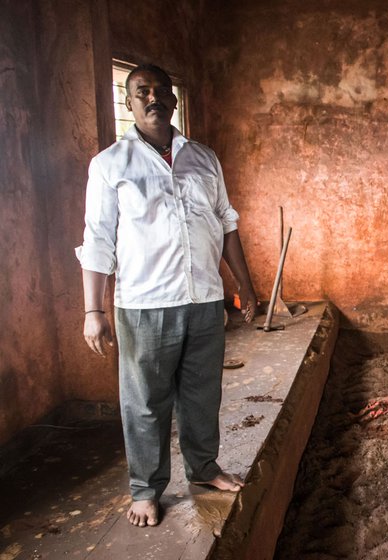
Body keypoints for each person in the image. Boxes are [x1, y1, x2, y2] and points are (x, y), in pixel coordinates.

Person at [76, 63, 257, 528]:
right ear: (129, 101)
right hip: (143, 303)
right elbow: (97, 239)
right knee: (145, 401)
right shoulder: (111, 164)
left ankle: (203, 468)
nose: (152, 97)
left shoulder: (203, 158)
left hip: (203, 299)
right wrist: (93, 310)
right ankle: (145, 489)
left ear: (174, 100)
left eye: (160, 90)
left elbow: (226, 223)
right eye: (142, 91)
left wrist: (244, 285)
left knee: (202, 393)